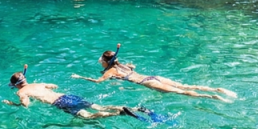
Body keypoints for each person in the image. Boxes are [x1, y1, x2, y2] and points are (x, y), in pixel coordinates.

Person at [72, 44, 237, 102]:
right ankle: (217, 90)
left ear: (105, 61)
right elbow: (133, 66)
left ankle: (213, 97)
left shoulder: (111, 70)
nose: (100, 61)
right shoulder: (123, 66)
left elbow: (98, 81)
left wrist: (80, 77)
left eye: (101, 59)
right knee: (186, 86)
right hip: (152, 77)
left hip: (147, 83)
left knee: (182, 92)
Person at [3, 65, 135, 120]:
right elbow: (54, 86)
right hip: (66, 96)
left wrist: (13, 104)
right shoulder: (39, 84)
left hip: (60, 103)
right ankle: (126, 108)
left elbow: (26, 105)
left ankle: (117, 114)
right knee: (100, 107)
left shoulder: (21, 92)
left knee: (87, 117)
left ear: (16, 85)